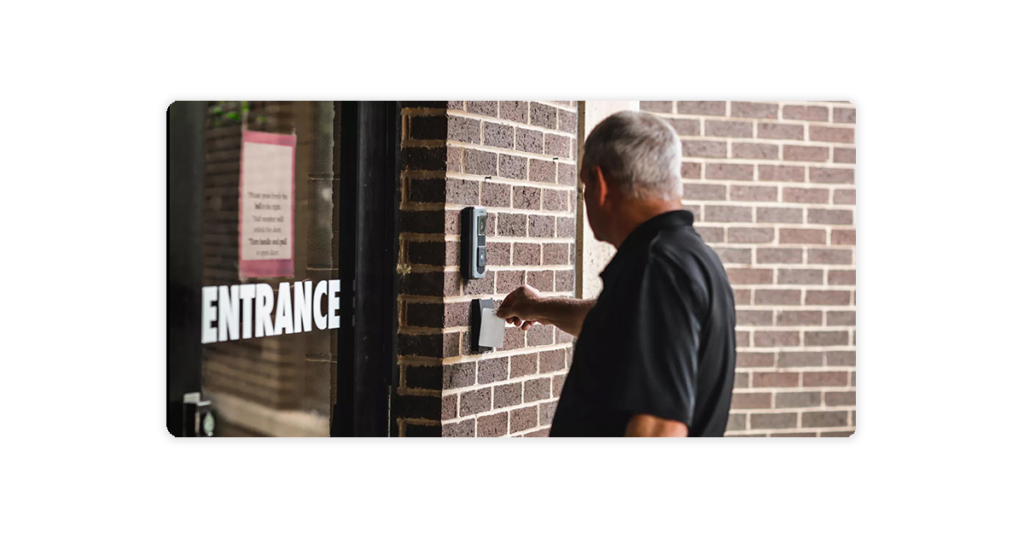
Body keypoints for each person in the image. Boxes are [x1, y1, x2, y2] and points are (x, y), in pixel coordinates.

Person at [496, 111, 736, 438]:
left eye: (584, 186)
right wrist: (540, 307)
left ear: (600, 183)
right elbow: (620, 327)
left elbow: (658, 428)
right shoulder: (692, 260)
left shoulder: (657, 269)